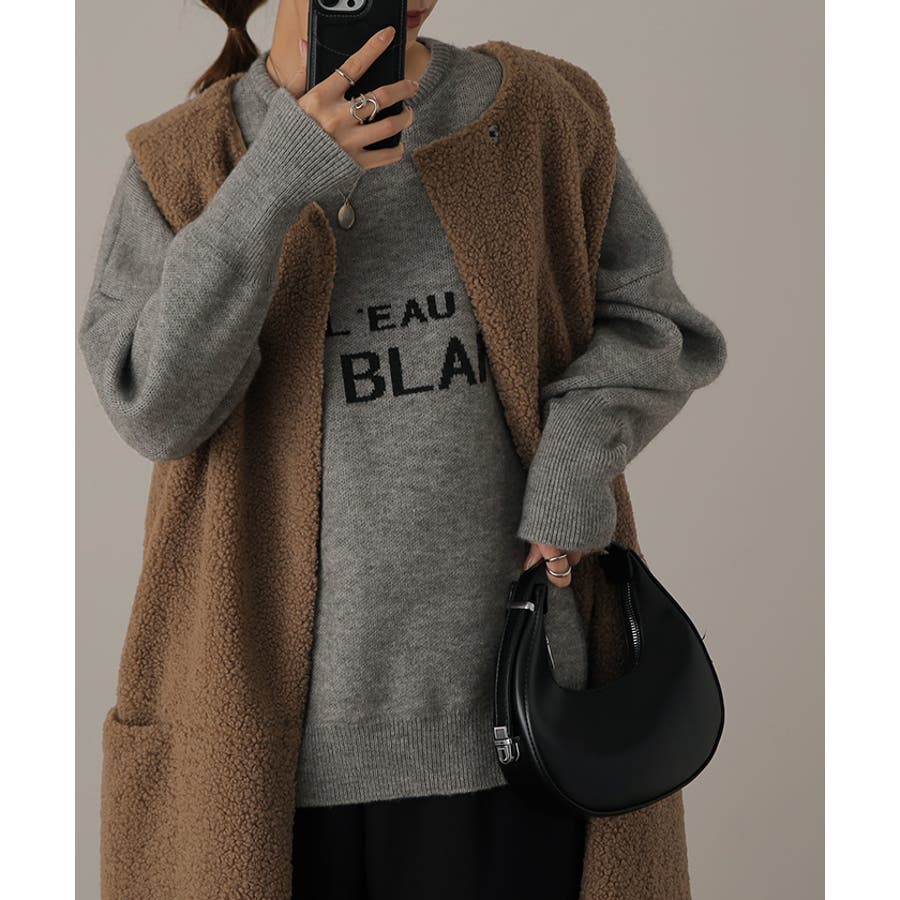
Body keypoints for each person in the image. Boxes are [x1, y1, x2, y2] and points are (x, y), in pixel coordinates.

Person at [80, 2, 728, 898]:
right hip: (266, 764)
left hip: (520, 726)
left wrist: (573, 466)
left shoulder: (536, 113)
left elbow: (654, 323)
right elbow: (153, 406)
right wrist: (279, 175)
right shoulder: (184, 159)